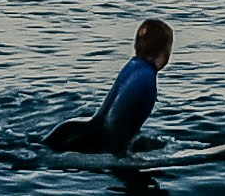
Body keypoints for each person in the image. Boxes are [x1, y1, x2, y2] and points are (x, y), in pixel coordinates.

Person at [45, 17, 174, 154]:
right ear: (165, 52)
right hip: (87, 140)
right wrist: (120, 155)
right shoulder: (147, 79)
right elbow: (118, 126)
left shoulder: (133, 66)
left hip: (72, 130)